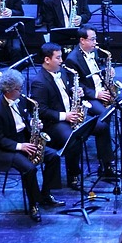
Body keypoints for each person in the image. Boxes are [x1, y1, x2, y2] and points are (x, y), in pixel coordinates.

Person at [0, 68, 64, 222]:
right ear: (8, 90)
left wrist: (34, 125)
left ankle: (45, 193)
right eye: (19, 89)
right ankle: (34, 203)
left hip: (24, 139)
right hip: (6, 148)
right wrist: (20, 146)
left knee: (54, 156)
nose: (22, 92)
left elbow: (23, 121)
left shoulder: (20, 100)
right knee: (29, 169)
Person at [62, 26, 122, 180]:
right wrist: (97, 94)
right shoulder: (72, 59)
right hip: (89, 96)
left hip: (101, 88)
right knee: (104, 116)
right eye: (93, 39)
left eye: (95, 38)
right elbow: (77, 85)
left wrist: (106, 73)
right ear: (82, 40)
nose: (96, 42)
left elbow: (94, 73)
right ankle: (106, 162)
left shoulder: (93, 52)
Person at [30, 41, 89, 188]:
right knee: (73, 139)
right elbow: (42, 110)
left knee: (94, 127)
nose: (62, 61)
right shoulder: (39, 82)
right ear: (47, 60)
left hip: (69, 114)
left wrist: (76, 92)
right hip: (53, 123)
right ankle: (73, 175)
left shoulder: (61, 72)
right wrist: (65, 116)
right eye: (58, 58)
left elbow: (64, 92)